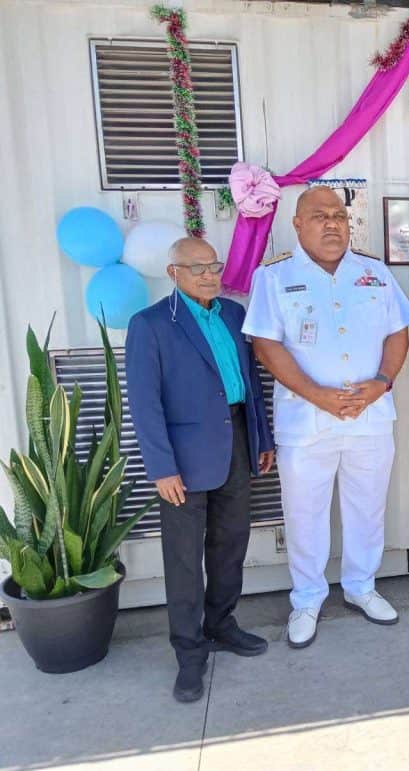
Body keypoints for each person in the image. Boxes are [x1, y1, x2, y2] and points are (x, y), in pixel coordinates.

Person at [243, 186, 409, 648]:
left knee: (367, 507)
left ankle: (361, 587)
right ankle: (307, 598)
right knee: (305, 514)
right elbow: (265, 344)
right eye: (320, 216)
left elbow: (399, 333)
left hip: (370, 416)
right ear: (297, 224)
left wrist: (381, 382)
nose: (333, 223)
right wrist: (315, 394)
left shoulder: (373, 273)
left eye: (339, 215)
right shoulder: (273, 277)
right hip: (306, 420)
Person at [126, 237, 275, 703]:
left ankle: (221, 624)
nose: (210, 275)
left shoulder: (232, 315)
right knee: (186, 557)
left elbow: (250, 383)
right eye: (198, 268)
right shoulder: (150, 324)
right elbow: (144, 403)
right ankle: (189, 652)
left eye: (214, 266)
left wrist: (262, 438)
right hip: (182, 458)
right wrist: (161, 468)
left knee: (231, 543)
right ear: (173, 273)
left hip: (235, 440)